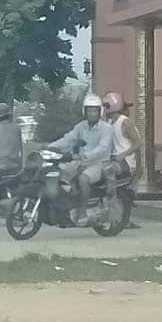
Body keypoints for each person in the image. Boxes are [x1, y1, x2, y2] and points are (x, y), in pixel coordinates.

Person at [49, 94, 113, 224]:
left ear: (100, 112)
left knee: (83, 179)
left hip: (98, 163)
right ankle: (68, 204)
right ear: (84, 111)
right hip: (80, 161)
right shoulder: (81, 126)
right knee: (60, 173)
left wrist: (86, 155)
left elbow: (103, 148)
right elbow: (68, 139)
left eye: (95, 111)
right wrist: (51, 146)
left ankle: (83, 211)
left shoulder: (106, 128)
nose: (92, 114)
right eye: (89, 111)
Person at [102, 91, 143, 184]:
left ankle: (111, 192)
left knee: (108, 170)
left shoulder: (125, 122)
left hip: (125, 161)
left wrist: (123, 155)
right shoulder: (108, 123)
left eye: (106, 106)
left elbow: (138, 142)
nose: (104, 109)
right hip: (113, 159)